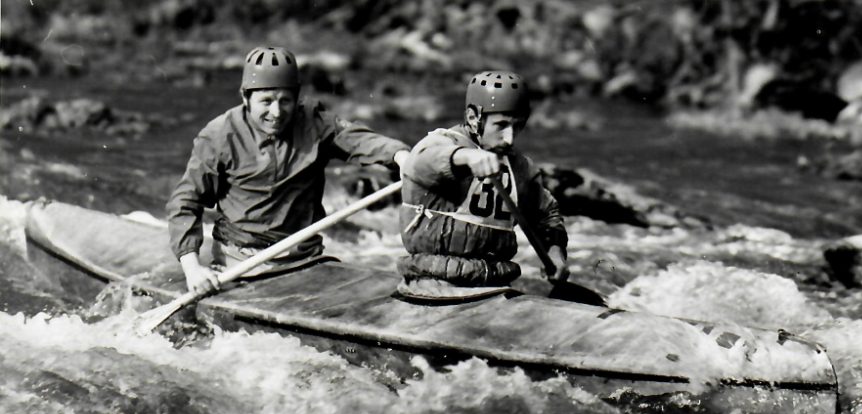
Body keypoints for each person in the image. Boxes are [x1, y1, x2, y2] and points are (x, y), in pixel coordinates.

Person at [167, 46, 410, 295]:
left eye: (285, 101)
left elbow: (358, 140)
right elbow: (185, 202)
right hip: (240, 265)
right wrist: (193, 269)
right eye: (266, 101)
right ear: (245, 98)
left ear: (296, 99)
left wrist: (400, 155)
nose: (276, 112)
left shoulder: (314, 122)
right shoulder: (218, 136)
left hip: (305, 260)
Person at [397, 70, 568, 296]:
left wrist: (555, 253)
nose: (510, 138)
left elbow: (546, 213)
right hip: (434, 284)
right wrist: (466, 157)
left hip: (496, 287)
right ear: (473, 118)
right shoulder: (439, 143)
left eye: (518, 126)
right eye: (501, 125)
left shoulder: (519, 167)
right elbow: (420, 161)